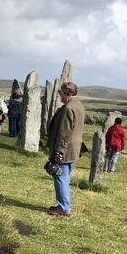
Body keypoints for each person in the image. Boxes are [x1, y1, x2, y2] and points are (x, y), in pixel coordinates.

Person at [47, 82, 85, 216]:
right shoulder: (79, 105)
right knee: (65, 177)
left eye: (60, 93)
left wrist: (59, 151)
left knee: (60, 178)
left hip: (66, 149)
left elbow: (65, 132)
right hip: (74, 148)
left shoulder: (68, 108)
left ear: (66, 93)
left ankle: (64, 208)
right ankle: (63, 204)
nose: (59, 96)